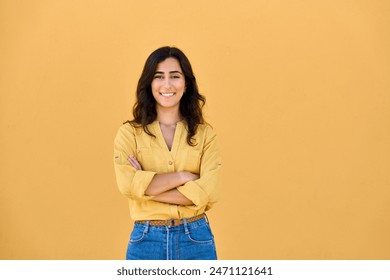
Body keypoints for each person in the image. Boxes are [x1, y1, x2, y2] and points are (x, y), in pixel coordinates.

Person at [113, 46, 222, 260]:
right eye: (159, 76)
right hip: (146, 240)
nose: (167, 84)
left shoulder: (206, 135)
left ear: (186, 83)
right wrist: (184, 177)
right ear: (149, 83)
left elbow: (208, 193)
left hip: (196, 239)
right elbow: (126, 185)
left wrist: (144, 189)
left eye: (175, 76)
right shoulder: (129, 134)